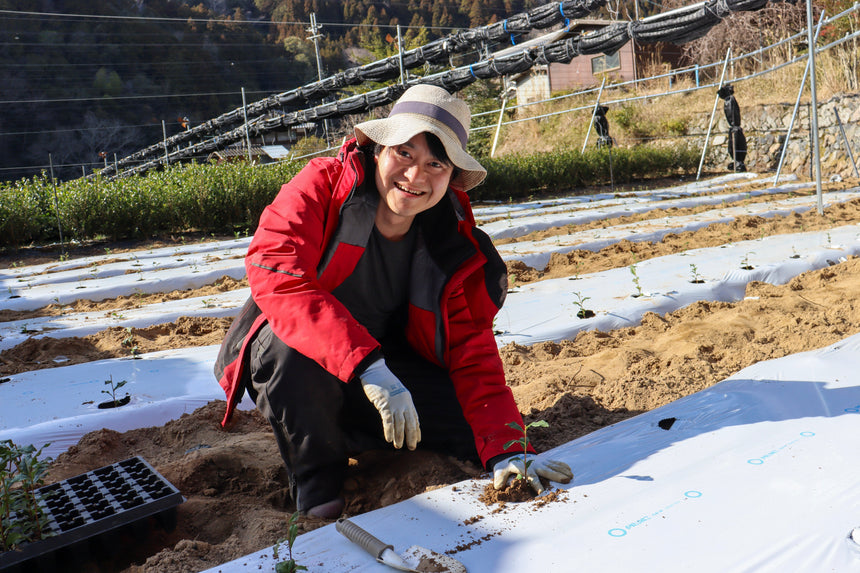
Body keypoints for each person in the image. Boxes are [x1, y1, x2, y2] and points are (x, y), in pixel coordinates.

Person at [214, 84, 573, 519]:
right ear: (379, 149)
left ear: (450, 178)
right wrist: (368, 365)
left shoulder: (449, 240)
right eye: (405, 153)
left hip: (385, 367)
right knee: (287, 349)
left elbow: (470, 350)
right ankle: (317, 486)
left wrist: (508, 447)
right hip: (307, 361)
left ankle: (352, 429)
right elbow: (278, 276)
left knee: (470, 428)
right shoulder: (323, 185)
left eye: (435, 164)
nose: (415, 176)